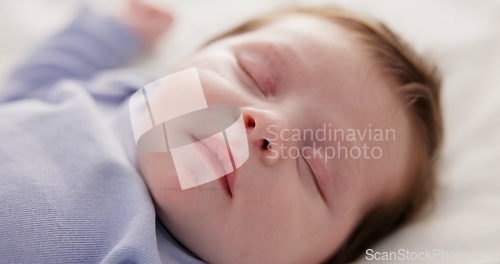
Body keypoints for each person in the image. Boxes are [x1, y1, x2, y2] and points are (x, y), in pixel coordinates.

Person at [0, 0, 442, 263]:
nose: (268, 127)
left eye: (315, 167)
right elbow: (35, 87)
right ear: (193, 56)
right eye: (254, 74)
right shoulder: (122, 96)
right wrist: (109, 31)